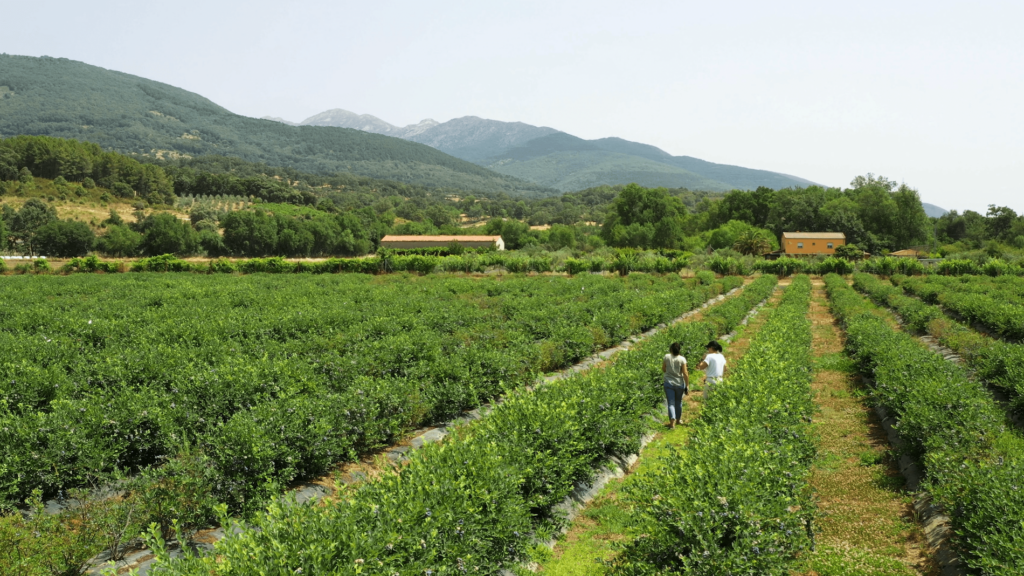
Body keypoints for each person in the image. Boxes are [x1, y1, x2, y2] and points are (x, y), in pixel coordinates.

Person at [662, 341, 689, 428]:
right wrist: (687, 385)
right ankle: (678, 420)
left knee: (671, 403)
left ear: (671, 349)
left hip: (668, 382)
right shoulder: (682, 359)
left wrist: (669, 372)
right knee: (678, 402)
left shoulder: (667, 357)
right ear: (679, 350)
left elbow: (663, 369)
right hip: (679, 383)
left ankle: (672, 423)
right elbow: (685, 373)